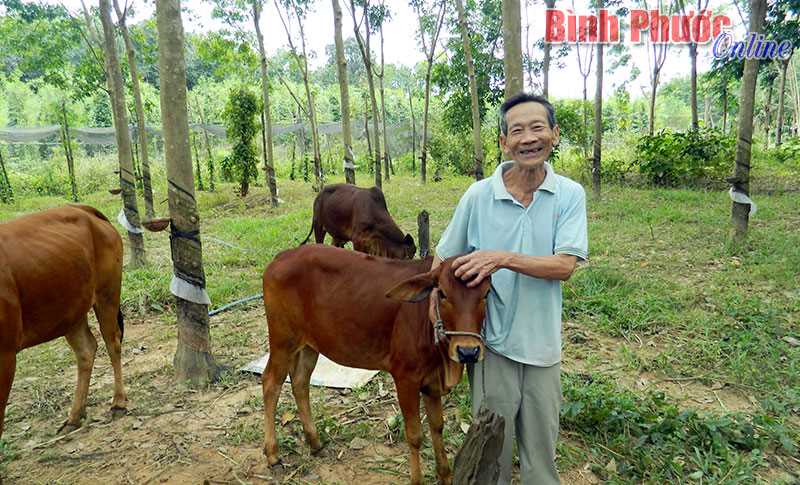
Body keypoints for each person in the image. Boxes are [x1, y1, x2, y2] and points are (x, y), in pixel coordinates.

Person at [431, 92, 588, 484]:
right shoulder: (479, 195)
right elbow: (442, 262)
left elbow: (565, 266)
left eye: (537, 127)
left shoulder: (568, 195)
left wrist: (500, 257)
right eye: (516, 130)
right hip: (492, 346)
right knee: (490, 452)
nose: (528, 138)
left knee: (540, 457)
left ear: (554, 134)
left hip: (543, 347)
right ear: (503, 142)